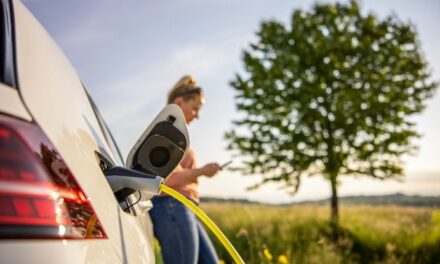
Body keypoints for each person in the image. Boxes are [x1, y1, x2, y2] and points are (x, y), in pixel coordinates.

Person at [149, 75, 221, 264]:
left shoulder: (177, 134)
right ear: (179, 102)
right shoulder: (166, 132)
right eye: (195, 108)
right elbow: (165, 179)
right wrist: (202, 171)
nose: (197, 115)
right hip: (172, 206)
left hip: (183, 207)